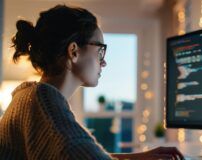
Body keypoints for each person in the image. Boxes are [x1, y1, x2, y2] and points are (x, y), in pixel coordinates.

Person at [0, 5, 184, 160]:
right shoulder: (44, 103)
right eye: (100, 50)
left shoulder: (28, 96)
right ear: (74, 51)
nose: (103, 62)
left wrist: (138, 157)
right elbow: (74, 150)